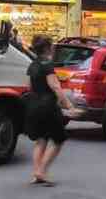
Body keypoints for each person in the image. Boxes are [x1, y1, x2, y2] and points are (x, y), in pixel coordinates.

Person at [25, 35, 76, 186]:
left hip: (33, 105)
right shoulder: (47, 65)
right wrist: (68, 104)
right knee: (58, 140)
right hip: (47, 106)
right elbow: (55, 86)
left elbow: (28, 86)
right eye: (52, 46)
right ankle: (42, 171)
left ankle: (36, 173)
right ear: (47, 48)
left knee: (41, 140)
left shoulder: (32, 64)